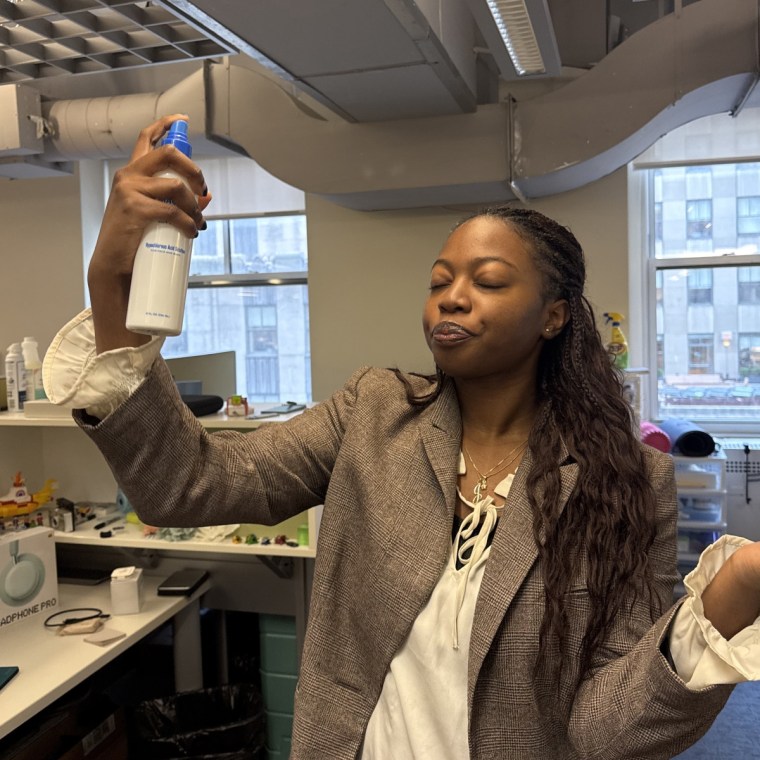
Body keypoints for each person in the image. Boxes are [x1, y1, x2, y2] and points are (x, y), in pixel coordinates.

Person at [44, 116, 760, 760]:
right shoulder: (374, 413)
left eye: (487, 281)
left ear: (553, 317)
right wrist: (112, 284)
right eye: (440, 279)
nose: (451, 296)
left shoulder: (628, 483)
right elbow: (183, 485)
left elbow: (605, 732)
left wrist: (735, 592)